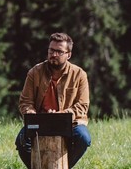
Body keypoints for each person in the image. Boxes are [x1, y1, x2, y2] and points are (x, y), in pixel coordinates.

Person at [15, 32, 91, 168]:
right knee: (21, 140)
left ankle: (63, 166)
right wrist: (31, 115)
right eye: (51, 50)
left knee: (83, 138)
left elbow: (82, 105)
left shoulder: (79, 74)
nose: (54, 54)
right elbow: (25, 101)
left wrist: (62, 115)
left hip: (70, 122)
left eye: (59, 51)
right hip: (40, 120)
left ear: (69, 54)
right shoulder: (34, 72)